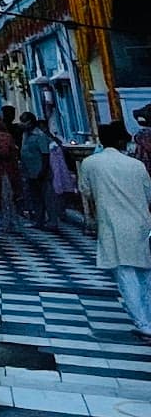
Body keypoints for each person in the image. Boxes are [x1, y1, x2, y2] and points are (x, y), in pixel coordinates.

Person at [78, 120, 151, 340]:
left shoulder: (90, 164)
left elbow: (86, 192)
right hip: (140, 223)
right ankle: (147, 317)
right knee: (145, 273)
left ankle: (143, 323)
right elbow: (148, 194)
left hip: (112, 224)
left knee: (125, 274)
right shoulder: (136, 165)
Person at [19, 113, 61, 231]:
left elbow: (45, 154)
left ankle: (53, 221)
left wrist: (43, 170)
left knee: (47, 196)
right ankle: (39, 220)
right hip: (29, 170)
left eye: (24, 121)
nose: (22, 124)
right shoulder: (25, 135)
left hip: (40, 170)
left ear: (31, 122)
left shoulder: (40, 135)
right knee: (35, 197)